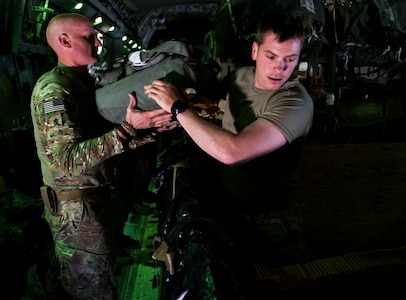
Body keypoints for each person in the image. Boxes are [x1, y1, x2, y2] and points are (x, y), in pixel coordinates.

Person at [144, 13, 314, 268]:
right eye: (271, 56)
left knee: (282, 280)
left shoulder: (294, 103)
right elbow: (215, 107)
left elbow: (231, 152)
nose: (280, 68)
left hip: (271, 217)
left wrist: (177, 107)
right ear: (255, 51)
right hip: (229, 201)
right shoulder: (240, 77)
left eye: (290, 59)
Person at [30, 13, 175, 299]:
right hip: (76, 212)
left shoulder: (82, 84)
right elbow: (66, 161)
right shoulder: (53, 92)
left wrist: (149, 130)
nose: (99, 41)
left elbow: (100, 142)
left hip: (93, 202)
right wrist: (126, 130)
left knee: (104, 279)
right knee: (92, 290)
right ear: (64, 41)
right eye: (89, 36)